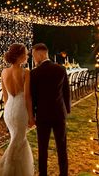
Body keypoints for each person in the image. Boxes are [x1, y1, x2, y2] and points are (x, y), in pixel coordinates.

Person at [0, 43, 35, 176]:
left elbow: (5, 96)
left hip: (9, 110)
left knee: (17, 140)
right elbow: (27, 97)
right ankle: (6, 171)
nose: (28, 55)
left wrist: (8, 111)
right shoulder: (26, 72)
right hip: (20, 110)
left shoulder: (4, 72)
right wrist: (31, 116)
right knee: (17, 142)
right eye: (26, 53)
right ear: (20, 56)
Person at [30, 43, 71, 176]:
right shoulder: (61, 69)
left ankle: (43, 174)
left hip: (43, 115)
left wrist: (33, 114)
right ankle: (63, 173)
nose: (33, 58)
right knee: (62, 146)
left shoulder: (34, 73)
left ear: (41, 54)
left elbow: (33, 96)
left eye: (34, 55)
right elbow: (66, 92)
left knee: (43, 148)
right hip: (59, 113)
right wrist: (67, 110)